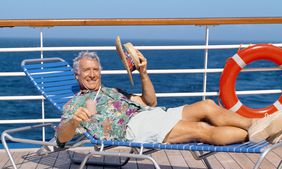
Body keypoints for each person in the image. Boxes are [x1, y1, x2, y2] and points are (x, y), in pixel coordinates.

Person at [56, 50, 282, 147]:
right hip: (132, 129)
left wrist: (143, 73)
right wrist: (74, 121)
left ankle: (256, 127)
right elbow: (61, 137)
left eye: (95, 69)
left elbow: (150, 101)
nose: (92, 74)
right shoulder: (74, 104)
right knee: (200, 129)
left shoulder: (112, 92)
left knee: (207, 105)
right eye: (86, 71)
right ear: (77, 75)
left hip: (150, 115)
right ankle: (258, 133)